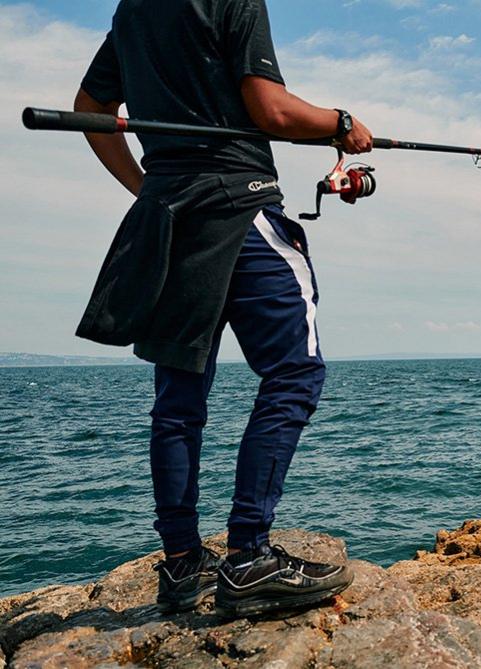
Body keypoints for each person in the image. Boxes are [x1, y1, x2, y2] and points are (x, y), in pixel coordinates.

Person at [75, 0, 372, 618]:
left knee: (179, 400)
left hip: (171, 221)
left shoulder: (133, 10)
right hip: (241, 207)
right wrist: (343, 123)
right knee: (295, 373)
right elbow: (273, 110)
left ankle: (183, 564)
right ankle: (248, 557)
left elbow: (91, 110)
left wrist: (151, 190)